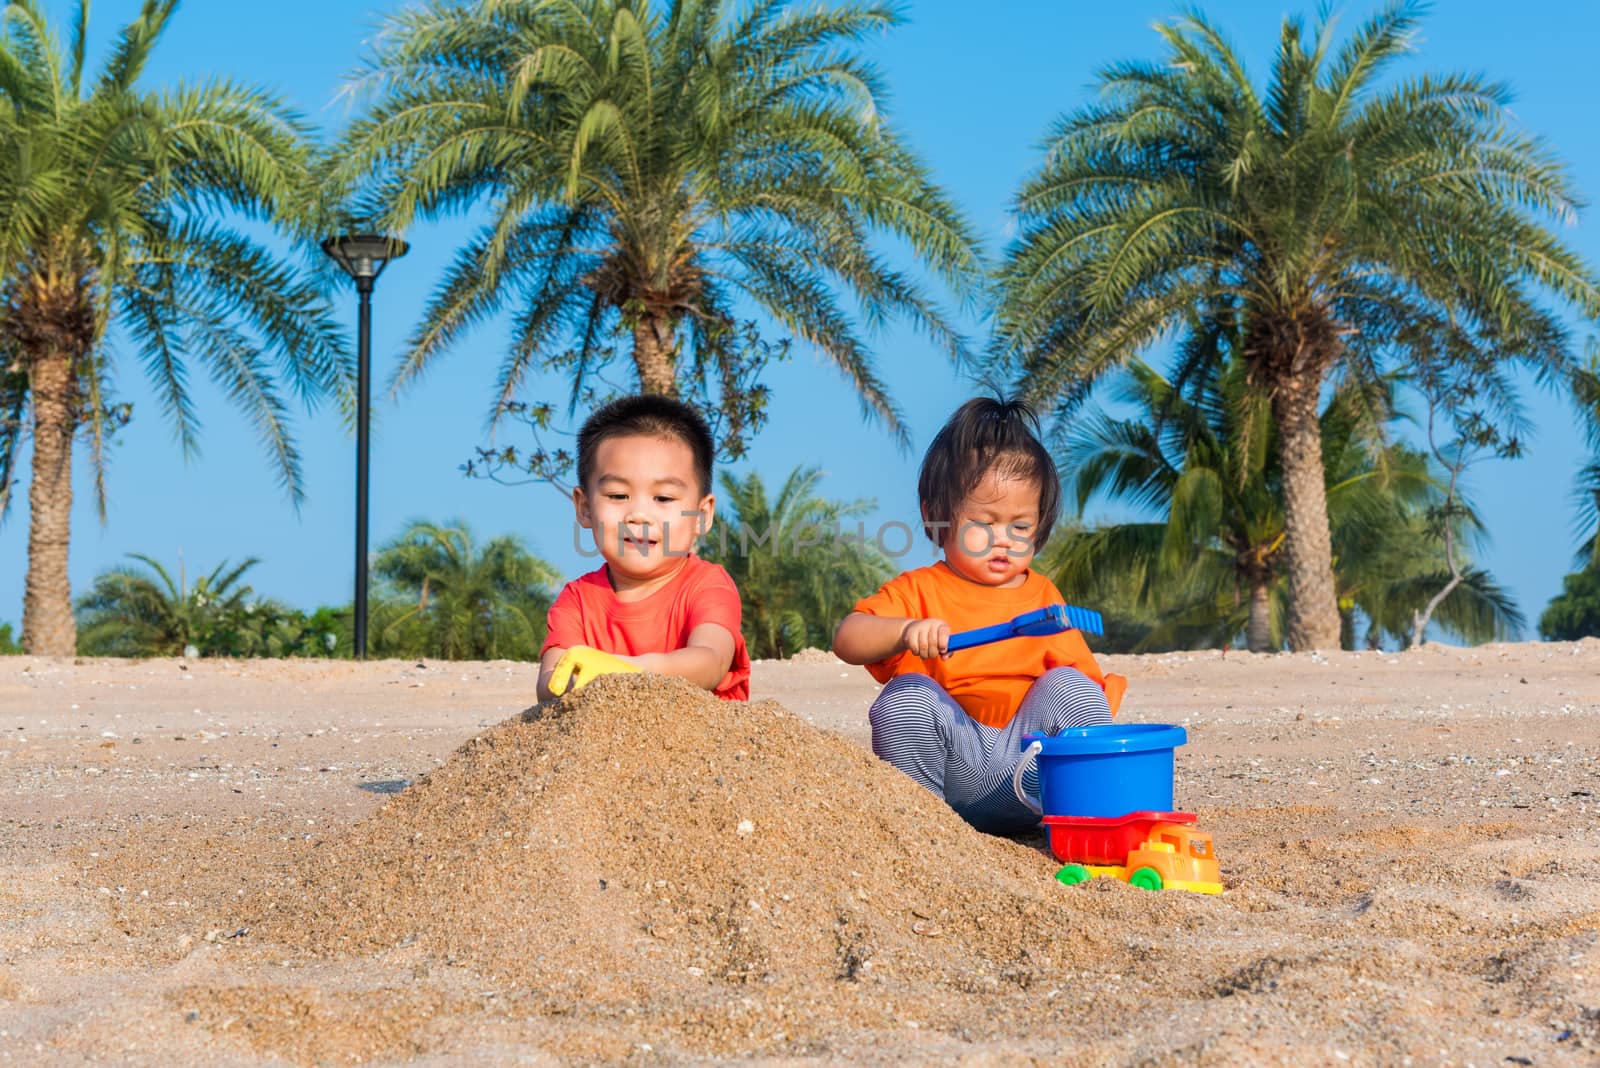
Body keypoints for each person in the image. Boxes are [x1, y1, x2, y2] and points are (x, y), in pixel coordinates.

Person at [832, 397, 1126, 833]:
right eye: (984, 524)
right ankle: (921, 829)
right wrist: (905, 630)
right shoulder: (919, 589)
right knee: (907, 695)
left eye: (1020, 526)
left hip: (1030, 768)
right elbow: (848, 638)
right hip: (952, 767)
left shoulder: (1044, 597)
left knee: (1071, 684)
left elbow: (1086, 703)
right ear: (936, 516)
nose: (1003, 540)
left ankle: (1090, 818)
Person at [537, 395, 750, 702]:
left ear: (701, 516)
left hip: (705, 745)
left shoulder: (707, 585)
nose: (638, 515)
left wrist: (626, 671)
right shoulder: (578, 600)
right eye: (618, 495)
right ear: (584, 508)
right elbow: (550, 680)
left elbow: (711, 661)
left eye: (663, 498)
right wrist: (569, 681)